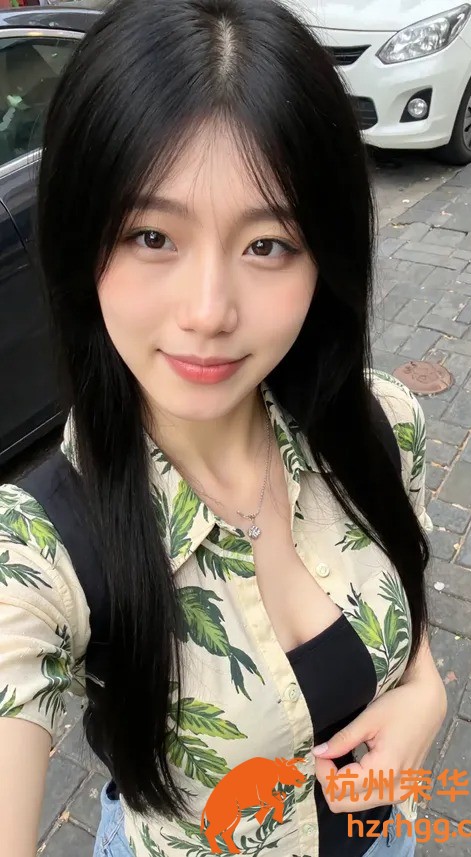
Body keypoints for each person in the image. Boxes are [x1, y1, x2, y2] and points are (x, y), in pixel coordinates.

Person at [0, 0, 447, 855]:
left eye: (267, 244)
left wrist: (425, 685)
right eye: (152, 235)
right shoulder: (41, 548)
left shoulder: (381, 424)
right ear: (80, 241)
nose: (208, 312)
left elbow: (407, 577)